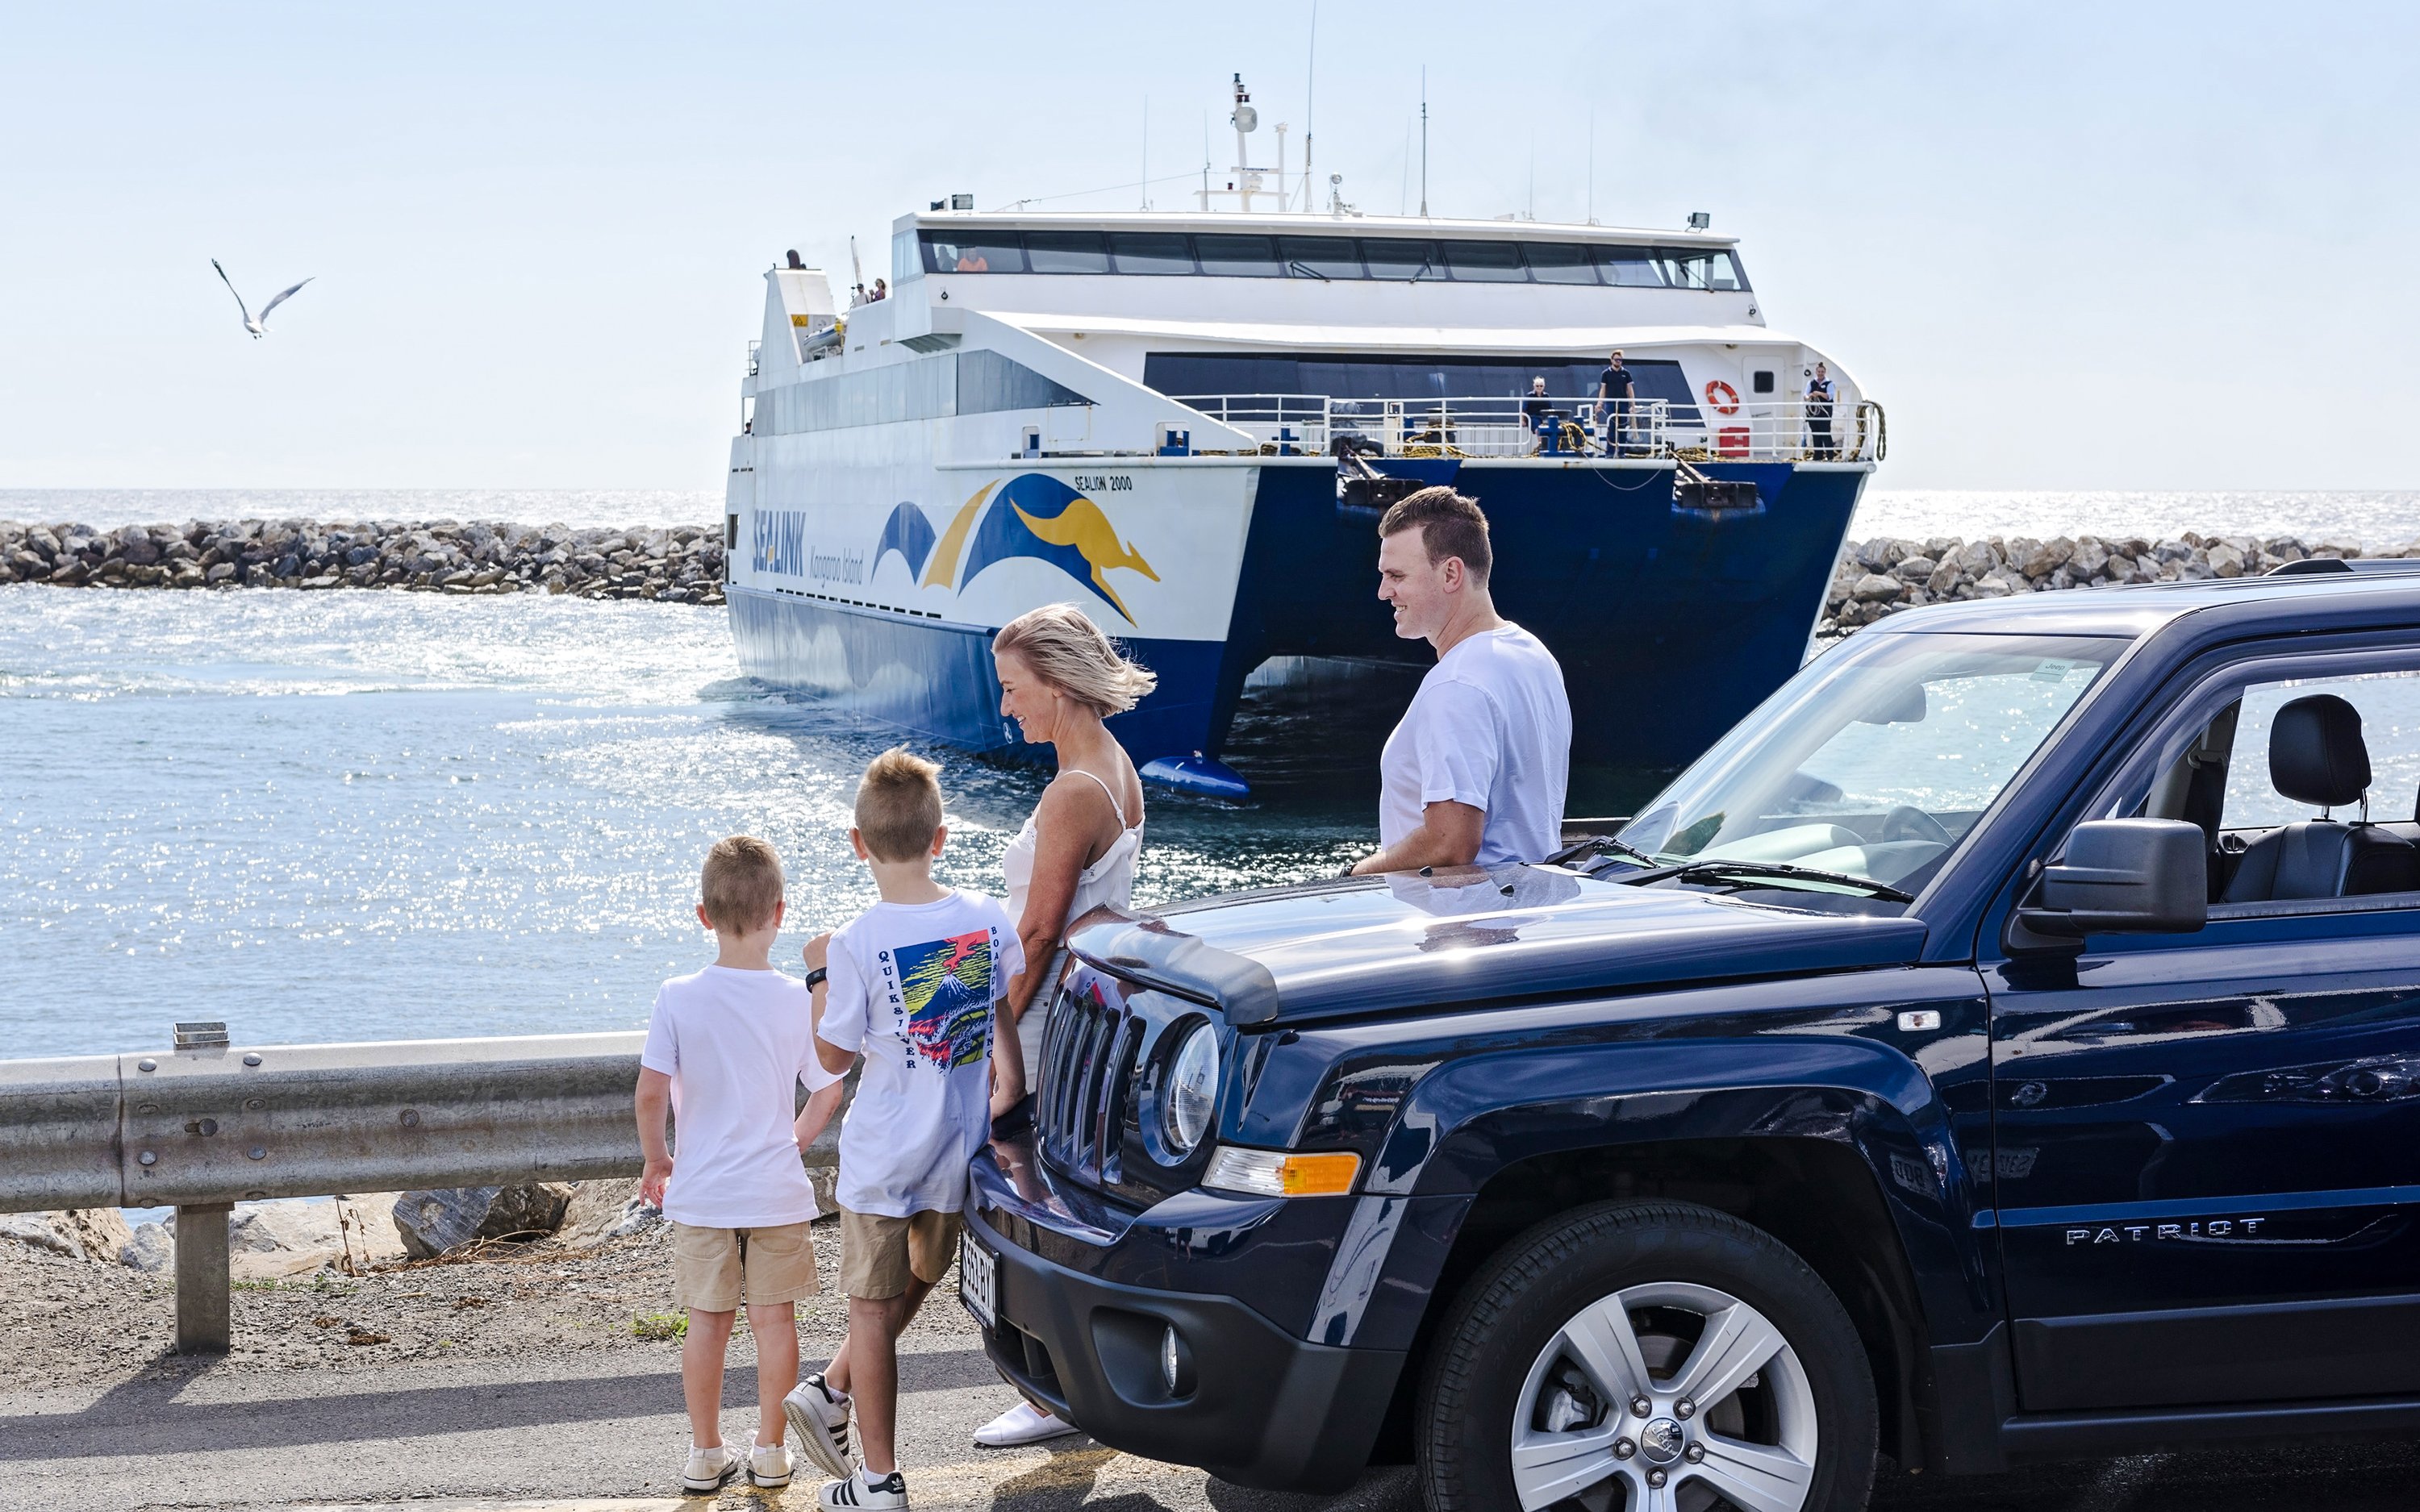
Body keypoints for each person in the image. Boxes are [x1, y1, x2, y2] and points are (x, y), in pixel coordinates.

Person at [787, 749, 1024, 1510]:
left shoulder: (856, 942)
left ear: (858, 844)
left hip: (884, 1154)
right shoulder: (987, 915)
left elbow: (830, 1055)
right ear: (941, 836)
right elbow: (1000, 1001)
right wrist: (1010, 1077)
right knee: (915, 1281)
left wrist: (818, 973)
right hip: (956, 1150)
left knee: (870, 1307)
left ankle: (881, 1478)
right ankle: (829, 1392)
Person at [970, 601, 1155, 1450]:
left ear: (1055, 683)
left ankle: (1052, 1396)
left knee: (1022, 1205)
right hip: (1077, 1012)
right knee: (1049, 1202)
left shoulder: (1076, 788)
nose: (1007, 706)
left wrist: (994, 1038)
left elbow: (1038, 930)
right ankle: (1058, 1388)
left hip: (1041, 1022)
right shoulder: (1113, 765)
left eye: (1014, 688)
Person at [636, 835, 847, 1496]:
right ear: (779, 911)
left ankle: (704, 1452)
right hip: (774, 1190)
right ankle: (771, 1450)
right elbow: (830, 1084)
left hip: (702, 1192)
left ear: (704, 915)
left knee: (707, 1323)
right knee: (774, 1321)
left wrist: (657, 1157)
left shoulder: (677, 994)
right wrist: (796, 1137)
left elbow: (649, 1092)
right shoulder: (793, 998)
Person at [1351, 487, 1572, 874]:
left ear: (1451, 573)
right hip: (1532, 911)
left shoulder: (1456, 684)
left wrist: (1353, 875)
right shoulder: (1533, 655)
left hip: (1464, 924)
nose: (1384, 592)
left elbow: (1450, 844)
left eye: (1396, 576)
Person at [1596, 351, 1636, 454]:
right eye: (1617, 359)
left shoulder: (1626, 373)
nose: (1619, 362)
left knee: (1622, 428)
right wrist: (1600, 403)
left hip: (1623, 403)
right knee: (1612, 428)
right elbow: (1603, 389)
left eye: (1620, 360)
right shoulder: (1606, 373)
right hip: (1611, 403)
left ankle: (1621, 452)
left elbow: (1630, 390)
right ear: (1612, 360)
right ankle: (1610, 452)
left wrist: (1633, 405)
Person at [1805, 360, 1837, 460]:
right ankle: (1817, 456)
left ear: (1825, 372)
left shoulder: (1829, 383)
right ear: (1816, 372)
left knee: (1825, 433)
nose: (1820, 373)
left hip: (1824, 412)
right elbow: (1805, 396)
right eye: (1819, 372)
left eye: (1822, 372)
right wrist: (1810, 395)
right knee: (1815, 433)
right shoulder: (1811, 383)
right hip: (1813, 412)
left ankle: (1830, 456)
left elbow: (1830, 396)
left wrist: (1819, 393)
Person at [1520, 376, 1553, 452]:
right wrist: (1523, 420)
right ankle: (1542, 445)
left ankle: (1551, 446)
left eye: (1541, 386)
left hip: (1544, 417)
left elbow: (1551, 408)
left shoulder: (1546, 396)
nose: (1539, 387)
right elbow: (1524, 410)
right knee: (1539, 429)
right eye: (1537, 386)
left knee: (1551, 429)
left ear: (1544, 386)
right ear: (1534, 386)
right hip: (1533, 417)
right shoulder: (1529, 396)